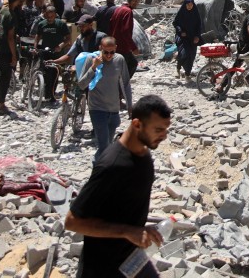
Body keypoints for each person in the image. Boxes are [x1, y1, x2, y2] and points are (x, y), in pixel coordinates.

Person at [65, 94, 172, 278]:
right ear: (137, 124)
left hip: (132, 259)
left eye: (166, 129)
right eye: (158, 130)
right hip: (103, 268)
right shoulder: (111, 165)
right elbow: (72, 221)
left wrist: (141, 231)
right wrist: (128, 232)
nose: (164, 135)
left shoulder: (144, 155)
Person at [76, 36, 135, 160]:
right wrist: (93, 67)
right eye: (105, 52)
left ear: (116, 49)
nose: (109, 55)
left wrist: (130, 105)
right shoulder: (91, 59)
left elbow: (125, 83)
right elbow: (82, 84)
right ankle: (101, 167)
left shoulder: (119, 60)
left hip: (113, 109)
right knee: (104, 145)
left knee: (107, 145)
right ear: (100, 48)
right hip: (97, 109)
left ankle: (100, 165)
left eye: (111, 52)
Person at [34, 0, 71, 102]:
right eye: (48, 15)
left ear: (55, 15)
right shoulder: (42, 24)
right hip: (45, 52)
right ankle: (46, 94)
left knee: (54, 74)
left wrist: (61, 46)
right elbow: (38, 36)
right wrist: (35, 47)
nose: (50, 18)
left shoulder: (61, 24)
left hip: (57, 53)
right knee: (46, 73)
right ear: (45, 14)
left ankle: (51, 95)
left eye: (51, 16)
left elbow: (68, 38)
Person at [0, 0, 21, 115]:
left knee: (2, 74)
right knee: (6, 76)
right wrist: (14, 55)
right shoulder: (11, 15)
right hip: (6, 49)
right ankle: (0, 104)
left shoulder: (2, 10)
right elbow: (10, 37)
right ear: (17, 1)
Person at [109, 0, 141, 76]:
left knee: (126, 65)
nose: (136, 3)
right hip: (123, 46)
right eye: (134, 1)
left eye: (137, 1)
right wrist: (133, 47)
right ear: (129, 1)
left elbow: (111, 23)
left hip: (115, 44)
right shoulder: (128, 11)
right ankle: (122, 83)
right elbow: (125, 31)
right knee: (129, 66)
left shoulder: (119, 9)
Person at [172, 0, 203, 80]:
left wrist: (197, 36)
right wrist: (180, 31)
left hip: (192, 38)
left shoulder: (195, 13)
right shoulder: (181, 12)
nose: (189, 6)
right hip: (182, 38)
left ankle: (187, 74)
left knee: (191, 56)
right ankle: (178, 69)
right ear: (185, 5)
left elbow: (199, 26)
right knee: (183, 54)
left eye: (191, 5)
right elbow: (175, 23)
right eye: (188, 5)